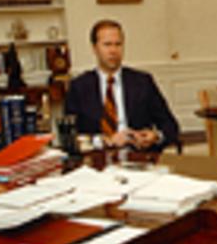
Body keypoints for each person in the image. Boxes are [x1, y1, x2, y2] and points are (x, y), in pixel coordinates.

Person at [65, 19, 179, 152]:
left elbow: (171, 126)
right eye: (107, 45)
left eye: (118, 44)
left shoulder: (142, 82)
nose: (113, 51)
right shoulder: (79, 87)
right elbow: (69, 137)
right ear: (95, 48)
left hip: (139, 157)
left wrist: (155, 136)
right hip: (97, 159)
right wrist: (105, 141)